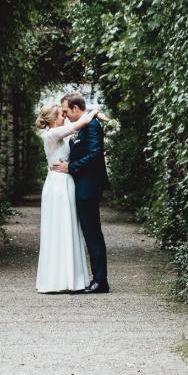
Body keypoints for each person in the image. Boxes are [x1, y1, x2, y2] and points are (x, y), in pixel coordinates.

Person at [35, 100, 105, 293]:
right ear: (51, 119)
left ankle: (70, 278)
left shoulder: (62, 130)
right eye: (60, 114)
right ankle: (56, 280)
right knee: (58, 229)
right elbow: (81, 123)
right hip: (58, 184)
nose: (64, 116)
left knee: (68, 229)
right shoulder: (51, 133)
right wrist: (95, 111)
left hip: (68, 183)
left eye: (64, 112)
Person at [52, 93, 110, 294]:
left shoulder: (92, 126)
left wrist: (72, 167)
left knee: (93, 233)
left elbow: (95, 154)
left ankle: (100, 281)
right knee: (90, 232)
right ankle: (97, 279)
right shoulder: (87, 123)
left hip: (89, 187)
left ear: (76, 108)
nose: (65, 115)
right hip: (84, 185)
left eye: (66, 111)